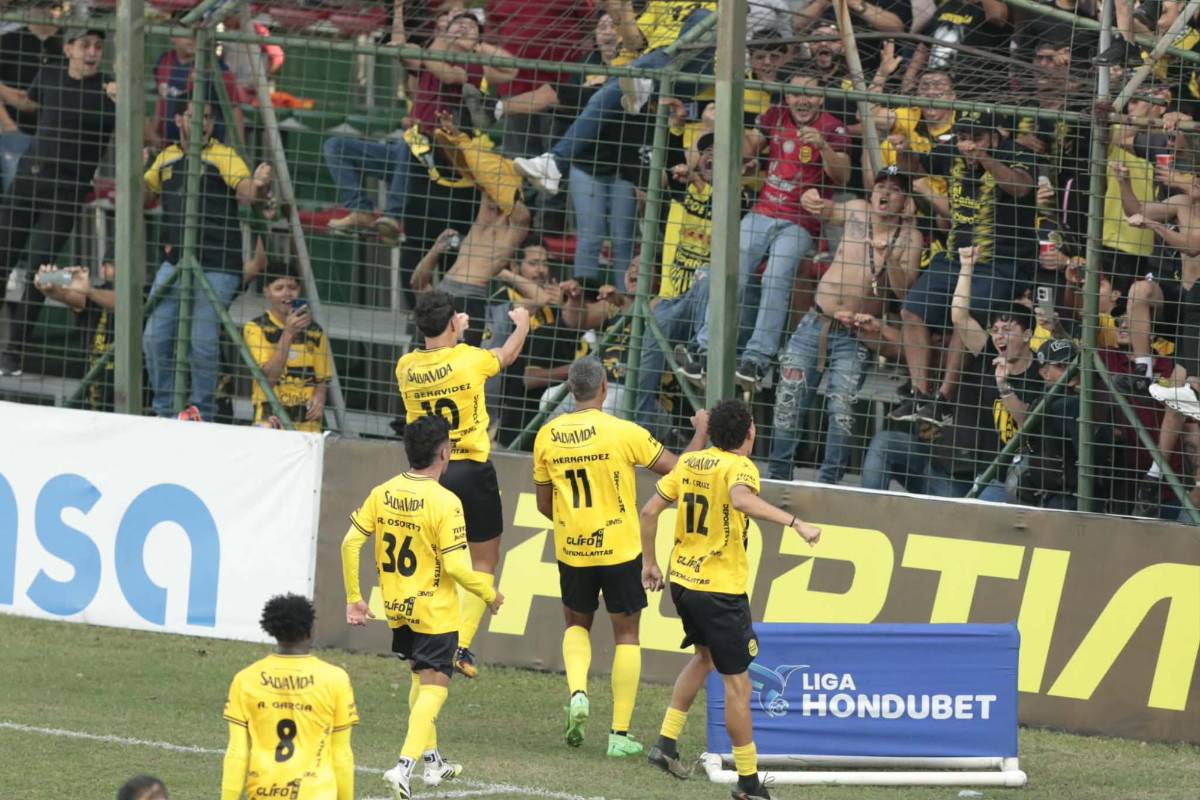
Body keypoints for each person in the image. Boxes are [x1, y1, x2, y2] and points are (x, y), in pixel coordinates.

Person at [638, 399, 821, 799]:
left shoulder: (690, 463)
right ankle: (749, 783)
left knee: (704, 658)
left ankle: (665, 743)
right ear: (749, 434)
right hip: (719, 592)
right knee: (738, 686)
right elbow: (740, 499)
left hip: (683, 582)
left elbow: (650, 511)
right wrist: (795, 522)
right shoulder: (739, 467)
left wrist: (649, 563)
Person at [532, 357, 706, 756]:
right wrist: (701, 433)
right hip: (620, 548)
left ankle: (578, 693)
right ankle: (619, 734)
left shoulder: (547, 435)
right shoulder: (622, 432)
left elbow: (545, 504)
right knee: (627, 635)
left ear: (572, 390)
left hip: (573, 547)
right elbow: (677, 472)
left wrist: (574, 523)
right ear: (605, 388)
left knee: (576, 624)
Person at [342, 415, 504, 799]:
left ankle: (433, 763)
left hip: (398, 605)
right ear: (445, 453)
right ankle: (404, 767)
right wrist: (488, 593)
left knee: (421, 680)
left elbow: (350, 542)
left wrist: (354, 598)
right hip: (435, 610)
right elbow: (457, 567)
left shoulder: (383, 491)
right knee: (437, 688)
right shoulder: (446, 502)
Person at [679, 74, 852, 390]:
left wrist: (824, 148)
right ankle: (704, 349)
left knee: (776, 276)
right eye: (795, 93)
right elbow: (748, 150)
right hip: (761, 212)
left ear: (822, 98)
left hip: (800, 222)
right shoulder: (773, 116)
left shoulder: (833, 127)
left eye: (810, 95)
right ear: (786, 97)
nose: (802, 100)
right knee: (730, 269)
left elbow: (841, 175)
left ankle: (756, 360)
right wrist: (721, 122)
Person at [396, 290, 529, 678]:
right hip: (469, 469)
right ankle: (462, 645)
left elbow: (441, 362)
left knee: (432, 562)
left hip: (428, 475)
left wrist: (455, 333)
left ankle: (420, 638)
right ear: (453, 321)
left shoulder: (405, 367)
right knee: (484, 560)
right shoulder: (469, 359)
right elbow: (506, 355)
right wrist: (521, 324)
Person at [767, 169, 921, 482]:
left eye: (894, 190)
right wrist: (809, 197)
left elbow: (905, 291)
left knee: (842, 411)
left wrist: (886, 256)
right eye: (881, 187)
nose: (885, 194)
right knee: (789, 400)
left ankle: (829, 482)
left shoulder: (909, 237)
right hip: (816, 320)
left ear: (905, 201)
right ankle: (778, 476)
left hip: (856, 334)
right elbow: (823, 208)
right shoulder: (856, 210)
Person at [893, 107, 1037, 424]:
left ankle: (942, 399)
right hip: (954, 255)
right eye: (962, 137)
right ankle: (919, 394)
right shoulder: (952, 149)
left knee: (965, 315)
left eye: (976, 137)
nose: (967, 145)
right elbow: (911, 168)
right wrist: (902, 154)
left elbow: (1020, 187)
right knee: (910, 310)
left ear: (994, 136)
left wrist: (984, 158)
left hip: (1001, 261)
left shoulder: (1017, 153)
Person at [325, 9, 516, 244]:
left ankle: (393, 217)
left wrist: (472, 44)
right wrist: (397, 9)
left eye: (470, 25)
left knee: (412, 140)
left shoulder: (474, 66)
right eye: (457, 24)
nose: (463, 27)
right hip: (411, 152)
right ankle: (361, 210)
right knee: (337, 146)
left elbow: (497, 70)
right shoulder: (427, 58)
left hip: (444, 153)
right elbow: (400, 49)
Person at [141, 96, 273, 419]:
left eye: (209, 117)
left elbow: (246, 189)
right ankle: (164, 410)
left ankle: (203, 412)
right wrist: (140, 165)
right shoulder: (166, 157)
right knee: (153, 337)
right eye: (193, 115)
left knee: (201, 342)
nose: (202, 122)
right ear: (178, 121)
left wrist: (259, 185)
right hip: (174, 264)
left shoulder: (224, 156)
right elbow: (143, 195)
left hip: (218, 263)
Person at [0, 27, 115, 377]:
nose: (91, 51)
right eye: (84, 45)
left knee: (42, 272)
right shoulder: (49, 75)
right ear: (68, 49)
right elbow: (28, 101)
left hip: (66, 192)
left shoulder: (109, 90)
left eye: (97, 46)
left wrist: (126, 100)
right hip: (28, 181)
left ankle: (13, 353)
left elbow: (135, 130)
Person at [513, 1, 718, 195]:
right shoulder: (659, 4)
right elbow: (635, 43)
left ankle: (646, 86)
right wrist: (625, 5)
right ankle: (554, 162)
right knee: (601, 97)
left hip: (694, 70)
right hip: (651, 66)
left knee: (703, 18)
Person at [220, 594, 357, 800]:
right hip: (316, 793)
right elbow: (342, 755)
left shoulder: (245, 679)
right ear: (310, 630)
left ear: (272, 630)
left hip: (263, 792)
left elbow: (237, 753)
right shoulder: (335, 679)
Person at [244, 261, 333, 432]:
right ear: (266, 292)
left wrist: (320, 396)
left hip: (307, 419)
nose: (287, 293)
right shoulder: (255, 328)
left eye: (292, 287)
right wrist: (289, 333)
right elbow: (268, 379)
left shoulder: (315, 331)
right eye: (279, 288)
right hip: (270, 417)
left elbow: (322, 379)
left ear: (299, 291)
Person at [0, 6, 63, 192]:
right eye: (39, 4)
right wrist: (8, 125)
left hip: (56, 135)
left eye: (51, 5)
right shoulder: (9, 40)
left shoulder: (68, 42)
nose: (45, 10)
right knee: (15, 191)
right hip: (17, 132)